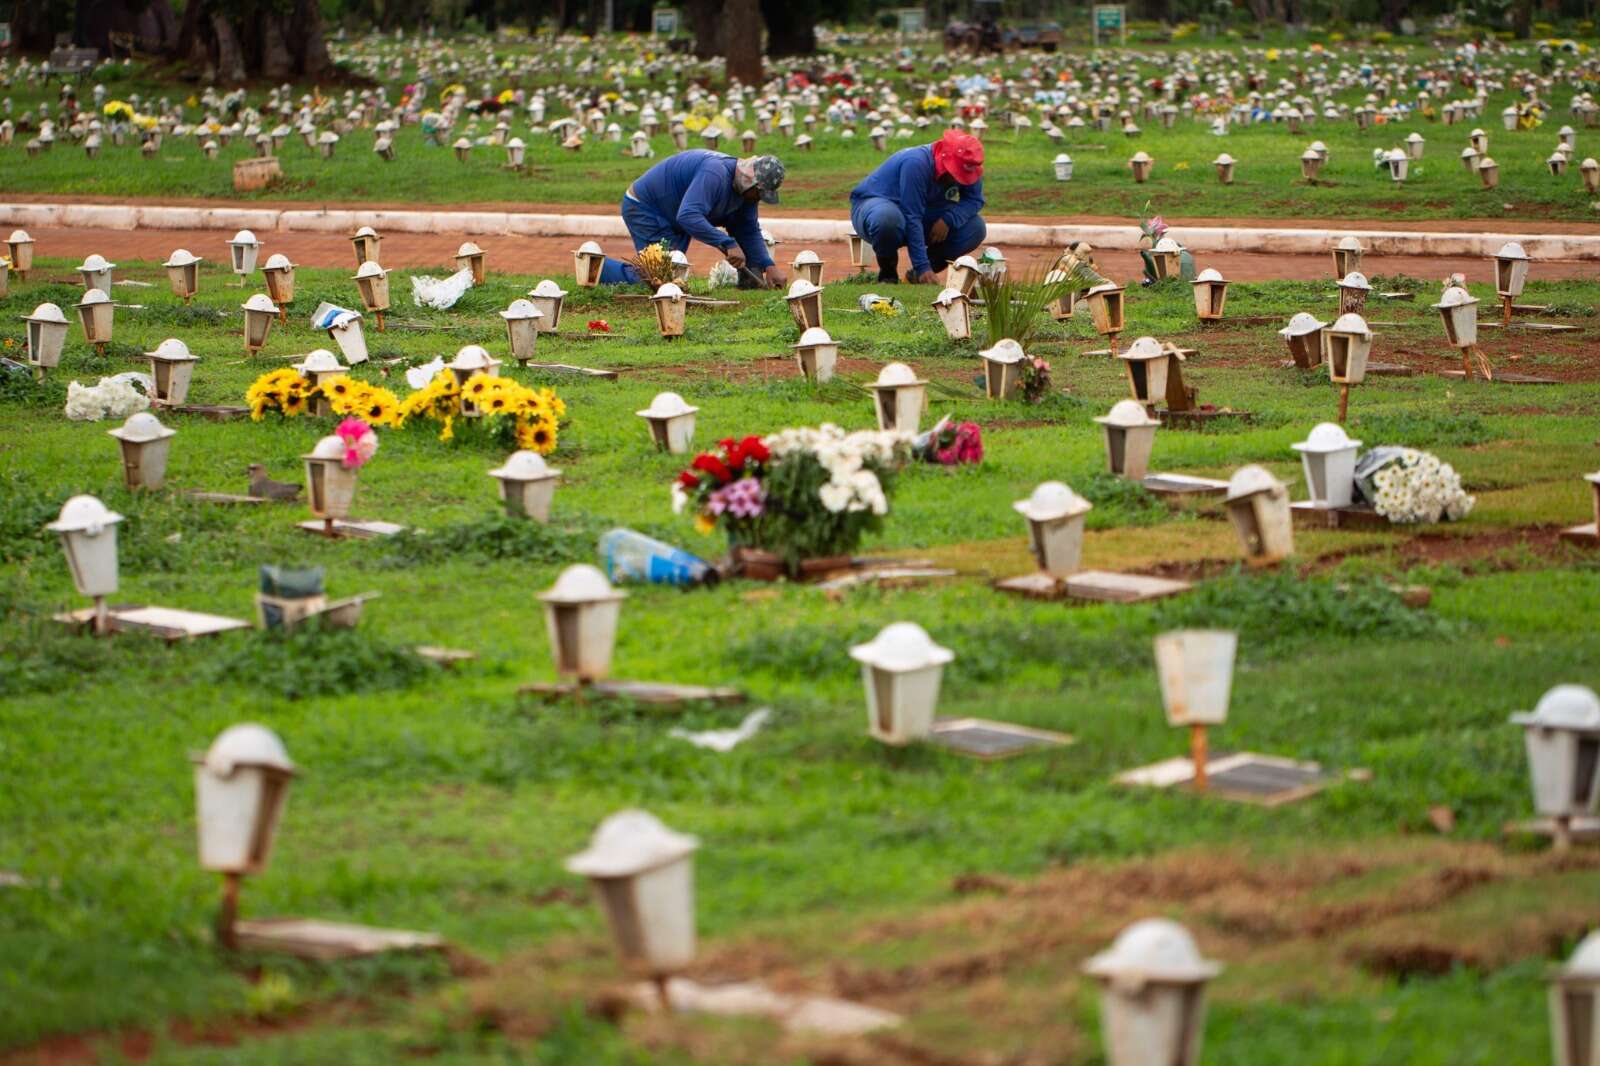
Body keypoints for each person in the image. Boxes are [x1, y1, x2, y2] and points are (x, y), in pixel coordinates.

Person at [599, 151, 788, 288]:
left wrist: (768, 265)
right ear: (750, 181)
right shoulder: (715, 174)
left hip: (673, 215)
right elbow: (688, 216)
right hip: (647, 208)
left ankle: (747, 285)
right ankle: (597, 268)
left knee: (670, 276)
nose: (758, 199)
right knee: (657, 279)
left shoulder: (746, 194)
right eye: (759, 193)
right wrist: (727, 242)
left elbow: (747, 229)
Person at [849, 129, 986, 285]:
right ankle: (888, 276)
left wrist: (949, 219)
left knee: (975, 228)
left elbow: (974, 199)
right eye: (957, 172)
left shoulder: (969, 164)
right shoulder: (916, 163)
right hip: (877, 206)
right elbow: (912, 215)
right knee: (887, 219)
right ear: (946, 159)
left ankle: (916, 277)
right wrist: (922, 265)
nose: (959, 178)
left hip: (920, 210)